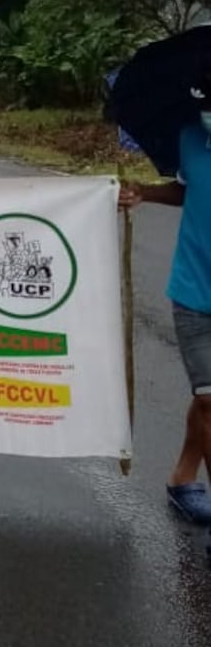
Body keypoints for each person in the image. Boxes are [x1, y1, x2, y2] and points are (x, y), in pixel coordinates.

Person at [120, 71, 211, 527]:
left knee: (209, 398)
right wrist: (145, 193)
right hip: (195, 292)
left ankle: (181, 478)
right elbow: (188, 186)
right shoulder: (192, 137)